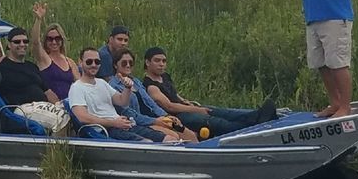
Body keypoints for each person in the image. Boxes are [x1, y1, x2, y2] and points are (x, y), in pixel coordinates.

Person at [142, 46, 277, 138]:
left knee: (223, 111)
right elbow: (169, 106)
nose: (161, 64)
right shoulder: (150, 86)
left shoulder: (165, 77)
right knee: (217, 122)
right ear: (148, 63)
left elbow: (174, 95)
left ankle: (256, 116)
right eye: (157, 61)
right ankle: (252, 128)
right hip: (178, 117)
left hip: (186, 108)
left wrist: (185, 101)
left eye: (164, 61)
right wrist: (195, 109)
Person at [109, 48, 197, 143]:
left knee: (189, 134)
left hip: (153, 118)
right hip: (140, 123)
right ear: (115, 65)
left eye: (131, 63)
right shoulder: (113, 86)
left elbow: (150, 103)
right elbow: (128, 113)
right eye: (124, 63)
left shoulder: (136, 82)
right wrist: (155, 121)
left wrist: (166, 116)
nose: (128, 65)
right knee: (174, 135)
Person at [68, 47, 149, 142]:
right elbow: (82, 117)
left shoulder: (102, 83)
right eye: (89, 62)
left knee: (166, 138)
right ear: (80, 63)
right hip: (105, 130)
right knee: (147, 143)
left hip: (122, 125)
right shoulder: (77, 88)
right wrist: (113, 123)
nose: (93, 65)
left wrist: (127, 87)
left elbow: (122, 102)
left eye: (97, 62)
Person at [0, 27, 59, 106]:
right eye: (17, 42)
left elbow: (47, 92)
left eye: (25, 41)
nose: (22, 44)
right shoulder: (0, 68)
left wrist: (59, 106)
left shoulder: (32, 66)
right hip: (23, 114)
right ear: (9, 45)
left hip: (46, 109)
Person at [30, 1, 79, 100]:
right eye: (50, 39)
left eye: (57, 38)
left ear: (62, 40)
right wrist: (38, 19)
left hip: (71, 102)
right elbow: (35, 42)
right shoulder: (44, 59)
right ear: (46, 40)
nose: (54, 42)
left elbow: (79, 84)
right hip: (53, 105)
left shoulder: (69, 62)